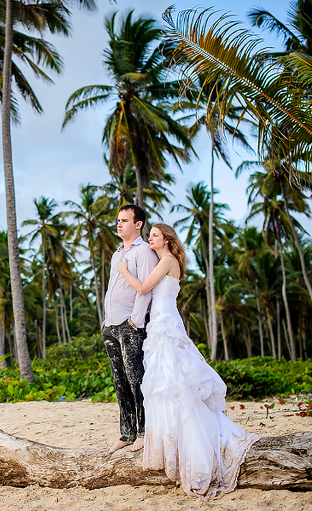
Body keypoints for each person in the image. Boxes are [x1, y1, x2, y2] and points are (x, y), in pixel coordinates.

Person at [116, 223, 260, 498]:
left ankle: (184, 446)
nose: (150, 239)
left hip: (165, 322)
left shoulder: (167, 260)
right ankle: (172, 443)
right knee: (165, 382)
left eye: (154, 235)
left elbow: (144, 288)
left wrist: (123, 271)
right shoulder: (165, 261)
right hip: (161, 321)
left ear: (166, 239)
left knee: (173, 381)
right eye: (150, 235)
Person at [102, 204, 159, 455]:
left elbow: (145, 289)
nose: (119, 224)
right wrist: (106, 320)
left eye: (124, 220)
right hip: (111, 325)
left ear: (138, 224)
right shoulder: (117, 254)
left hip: (130, 324)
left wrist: (136, 321)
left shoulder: (144, 251)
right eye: (118, 220)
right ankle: (127, 433)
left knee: (137, 380)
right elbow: (112, 288)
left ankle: (144, 431)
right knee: (120, 381)